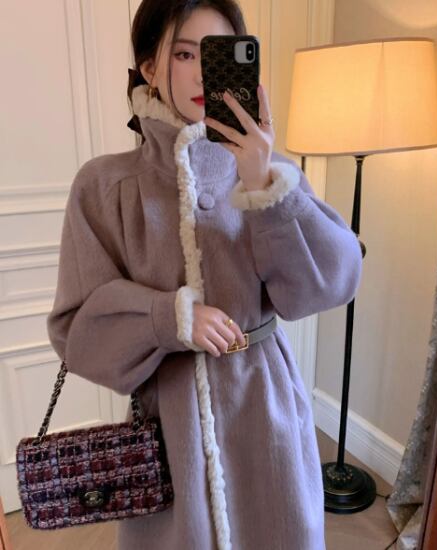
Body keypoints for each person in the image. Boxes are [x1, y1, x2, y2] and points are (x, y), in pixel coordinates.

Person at [46, 0, 363, 548]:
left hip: (266, 409)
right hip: (168, 427)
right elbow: (77, 332)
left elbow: (329, 284)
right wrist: (168, 318)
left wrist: (264, 186)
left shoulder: (272, 172)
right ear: (150, 67)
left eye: (215, 54)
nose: (199, 73)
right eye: (184, 54)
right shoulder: (104, 186)